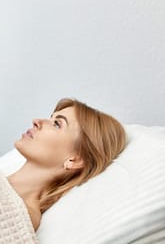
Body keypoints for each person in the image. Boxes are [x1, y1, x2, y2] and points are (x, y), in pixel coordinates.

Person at [7, 97, 126, 230]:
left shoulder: (21, 216)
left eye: (57, 124)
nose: (36, 121)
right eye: (51, 118)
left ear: (74, 160)